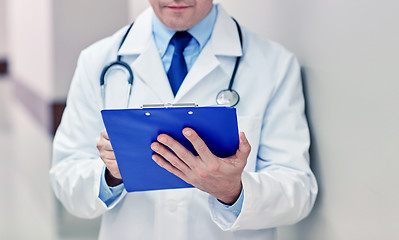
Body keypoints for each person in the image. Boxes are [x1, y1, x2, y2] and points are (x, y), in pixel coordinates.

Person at [49, 0, 318, 239]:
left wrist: (233, 192)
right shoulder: (97, 60)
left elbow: (299, 191)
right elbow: (66, 177)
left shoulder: (274, 65)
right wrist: (111, 175)